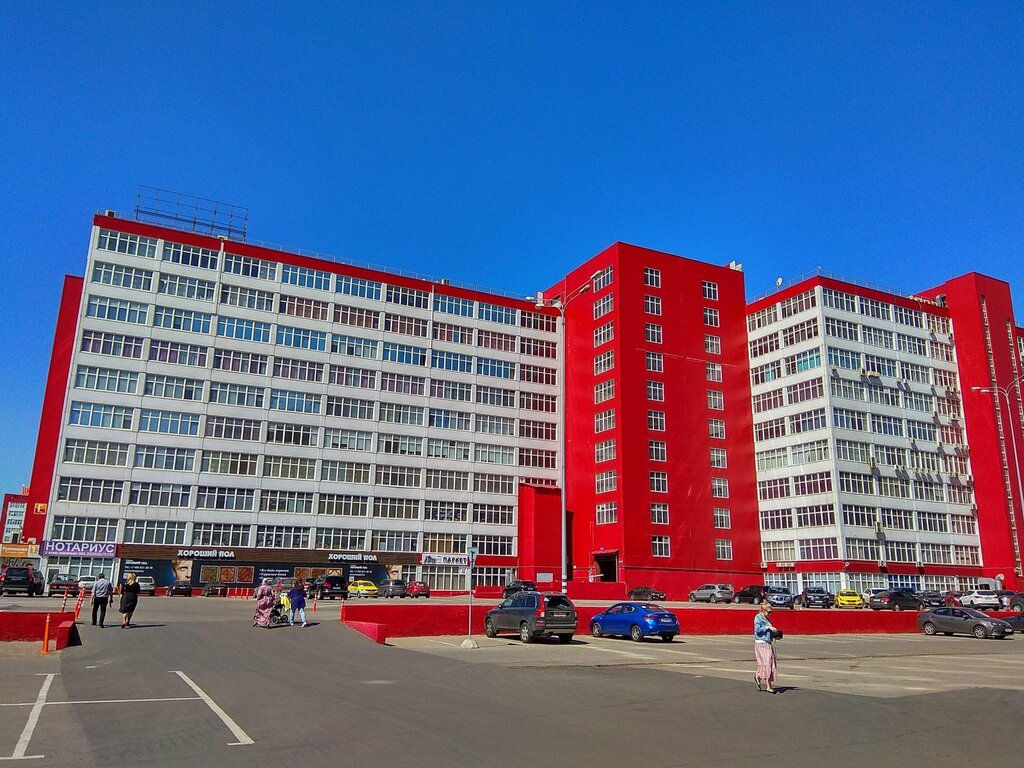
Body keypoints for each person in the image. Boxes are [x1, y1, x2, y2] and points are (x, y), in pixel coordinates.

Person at [753, 601, 780, 693]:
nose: (770, 614)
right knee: (767, 663)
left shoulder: (767, 619)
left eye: (771, 612)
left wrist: (775, 634)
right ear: (763, 610)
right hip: (761, 643)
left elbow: (768, 631)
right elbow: (757, 630)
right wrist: (768, 628)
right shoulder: (758, 618)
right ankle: (768, 686)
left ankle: (758, 676)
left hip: (767, 642)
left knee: (769, 662)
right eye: (768, 612)